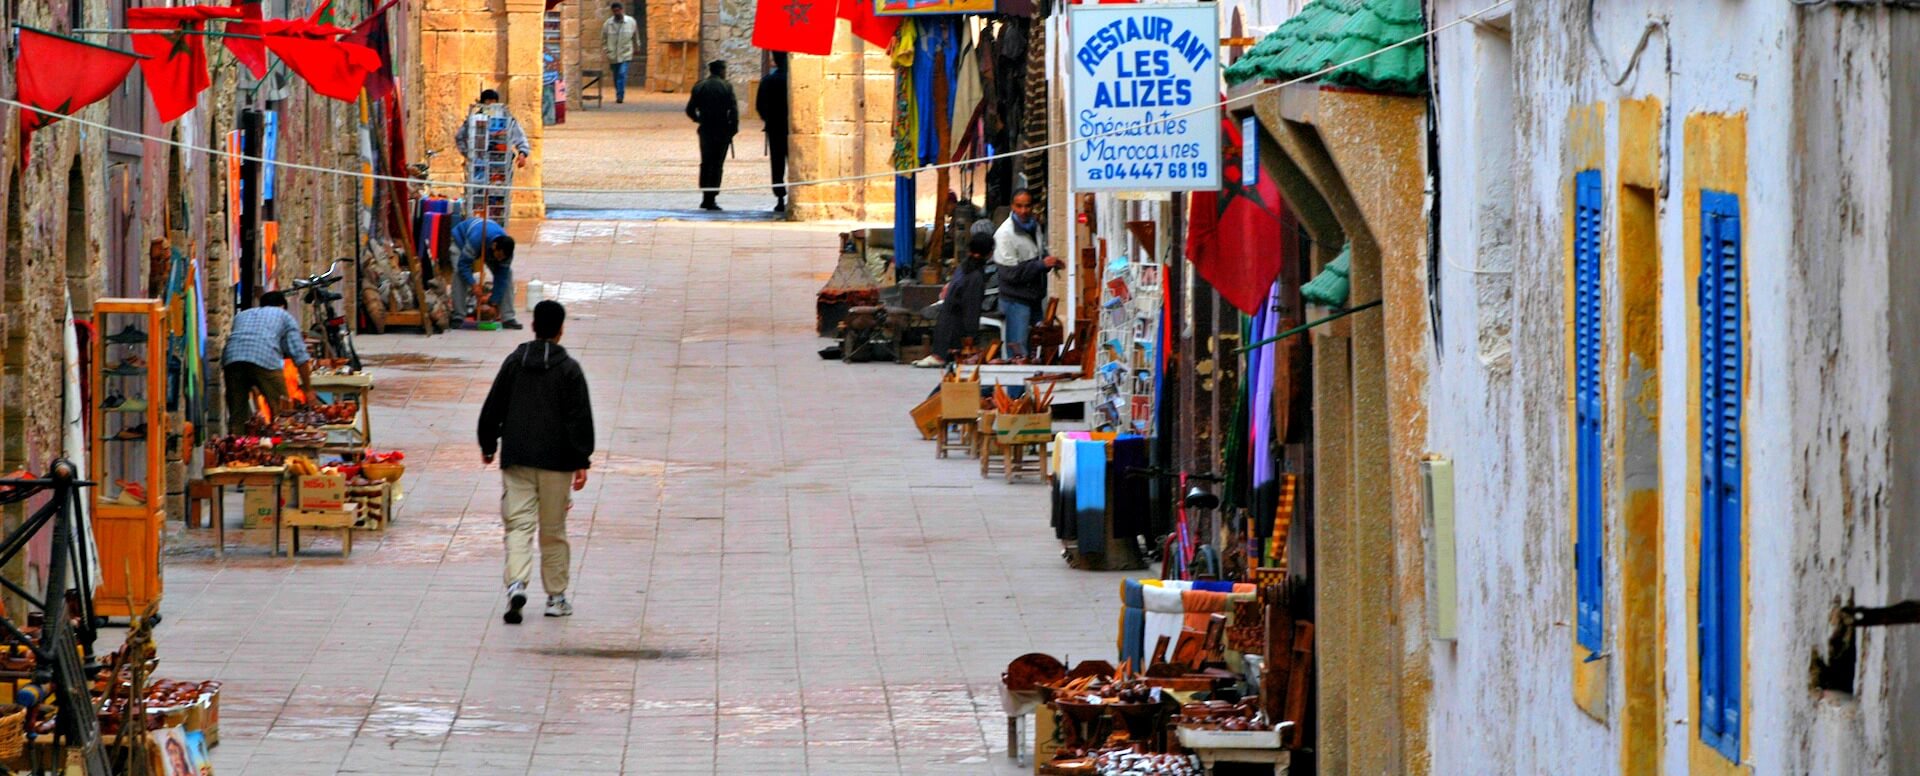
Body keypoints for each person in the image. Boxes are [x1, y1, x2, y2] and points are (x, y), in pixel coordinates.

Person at [478, 300, 596, 623]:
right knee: (553, 528)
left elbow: (494, 406)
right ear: (560, 330)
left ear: (533, 327)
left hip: (517, 458)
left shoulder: (514, 364)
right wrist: (581, 459)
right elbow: (579, 417)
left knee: (518, 525)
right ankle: (556, 597)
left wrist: (488, 444)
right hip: (557, 463)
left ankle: (516, 583)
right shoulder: (569, 369)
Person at [221, 290, 312, 432]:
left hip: (232, 359)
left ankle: (236, 448)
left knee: (237, 416)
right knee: (282, 412)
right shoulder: (285, 316)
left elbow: (243, 344)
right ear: (282, 306)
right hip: (264, 357)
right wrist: (308, 389)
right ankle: (282, 449)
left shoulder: (242, 315)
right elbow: (300, 355)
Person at [992, 188, 1060, 359]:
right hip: (1016, 301)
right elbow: (1010, 274)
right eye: (1019, 206)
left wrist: (1048, 262)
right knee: (1018, 352)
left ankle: (1027, 385)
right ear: (1012, 207)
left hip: (1034, 298)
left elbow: (1035, 253)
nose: (1023, 211)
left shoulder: (1034, 225)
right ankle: (1015, 387)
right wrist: (1041, 265)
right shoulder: (1005, 234)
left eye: (1027, 206)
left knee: (1033, 349)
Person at [914, 233, 994, 368]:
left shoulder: (963, 268)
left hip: (945, 325)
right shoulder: (975, 277)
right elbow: (971, 311)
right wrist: (971, 339)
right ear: (990, 253)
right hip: (955, 333)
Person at [685, 60, 739, 211]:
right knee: (717, 164)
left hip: (706, 128)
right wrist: (733, 128)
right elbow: (733, 110)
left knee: (706, 162)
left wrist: (699, 119)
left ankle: (705, 195)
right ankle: (712, 196)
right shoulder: (726, 86)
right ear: (721, 70)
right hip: (722, 128)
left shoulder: (700, 86)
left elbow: (690, 109)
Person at [451, 215, 521, 330]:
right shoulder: (476, 239)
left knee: (508, 274)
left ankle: (508, 317)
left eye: (502, 258)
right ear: (494, 246)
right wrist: (473, 284)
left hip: (487, 248)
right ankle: (458, 316)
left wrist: (493, 301)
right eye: (499, 256)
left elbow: (501, 278)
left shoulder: (506, 253)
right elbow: (463, 265)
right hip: (461, 241)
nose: (499, 260)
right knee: (459, 274)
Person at [454, 89, 531, 169]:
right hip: (479, 165)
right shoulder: (474, 120)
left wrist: (522, 153)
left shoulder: (505, 118)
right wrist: (468, 154)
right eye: (488, 103)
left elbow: (519, 136)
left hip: (501, 163)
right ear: (483, 103)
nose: (491, 107)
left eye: (493, 103)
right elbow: (460, 137)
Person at [755, 52, 790, 213]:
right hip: (790, 127)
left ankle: (780, 197)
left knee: (777, 164)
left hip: (775, 127)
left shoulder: (768, 81)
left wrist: (768, 118)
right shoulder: (792, 81)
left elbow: (760, 106)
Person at [602, 4, 638, 103]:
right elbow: (604, 39)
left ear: (622, 10)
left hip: (625, 53)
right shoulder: (608, 24)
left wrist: (636, 47)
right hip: (613, 54)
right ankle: (618, 92)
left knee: (622, 74)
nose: (617, 13)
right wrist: (607, 50)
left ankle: (620, 96)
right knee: (616, 75)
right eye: (615, 11)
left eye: (618, 10)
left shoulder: (631, 22)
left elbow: (635, 36)